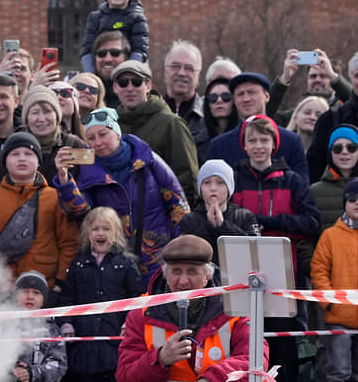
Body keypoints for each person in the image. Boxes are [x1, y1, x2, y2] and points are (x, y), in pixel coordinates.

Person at [53, 108, 189, 282]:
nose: (98, 142)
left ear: (117, 133)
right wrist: (64, 179)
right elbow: (79, 211)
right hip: (115, 262)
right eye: (91, 138)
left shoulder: (147, 159)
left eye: (103, 134)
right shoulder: (89, 170)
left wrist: (179, 249)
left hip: (158, 257)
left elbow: (178, 206)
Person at [231, 114, 319, 382]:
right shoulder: (233, 179)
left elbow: (312, 222)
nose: (258, 145)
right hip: (240, 273)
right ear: (244, 145)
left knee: (282, 342)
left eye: (264, 140)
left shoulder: (292, 181)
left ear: (274, 144)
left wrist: (268, 222)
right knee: (245, 339)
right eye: (252, 140)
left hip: (284, 272)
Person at [116, 234, 267, 382]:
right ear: (165, 275)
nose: (183, 281)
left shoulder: (235, 306)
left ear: (207, 276)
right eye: (176, 271)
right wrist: (160, 358)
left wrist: (212, 378)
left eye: (192, 272)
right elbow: (125, 374)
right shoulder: (141, 313)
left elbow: (255, 359)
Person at [0, 132, 78, 290]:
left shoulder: (54, 197)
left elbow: (68, 242)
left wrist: (60, 281)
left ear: (38, 161)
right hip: (0, 287)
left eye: (28, 153)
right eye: (15, 154)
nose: (22, 158)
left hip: (44, 287)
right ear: (5, 161)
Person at [58, 207, 144, 382]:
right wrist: (67, 324)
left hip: (115, 343)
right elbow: (67, 298)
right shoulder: (78, 264)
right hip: (82, 346)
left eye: (106, 228)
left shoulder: (126, 264)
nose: (100, 233)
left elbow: (137, 299)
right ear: (87, 233)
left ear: (116, 233)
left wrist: (130, 322)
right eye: (95, 228)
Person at [112, 60, 199, 203]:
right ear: (115, 87)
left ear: (148, 86)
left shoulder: (171, 124)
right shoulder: (111, 125)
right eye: (123, 83)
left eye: (136, 82)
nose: (130, 88)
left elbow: (188, 179)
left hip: (160, 216)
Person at [208, 71, 309, 182]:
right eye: (240, 94)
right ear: (235, 100)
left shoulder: (291, 141)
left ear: (266, 96)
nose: (246, 99)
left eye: (252, 93)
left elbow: (302, 189)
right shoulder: (219, 146)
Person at [311, 178, 358, 382]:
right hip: (340, 319)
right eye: (352, 198)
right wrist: (330, 303)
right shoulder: (330, 236)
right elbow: (318, 271)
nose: (357, 203)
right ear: (344, 203)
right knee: (338, 374)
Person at [178, 160, 259, 265]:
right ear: (201, 188)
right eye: (207, 183)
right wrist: (209, 226)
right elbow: (186, 254)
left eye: (220, 183)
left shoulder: (244, 216)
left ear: (229, 188)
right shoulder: (189, 219)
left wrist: (223, 225)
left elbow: (255, 250)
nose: (213, 188)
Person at [79, 0, 149, 73]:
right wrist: (91, 75)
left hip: (127, 71)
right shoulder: (95, 18)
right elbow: (86, 50)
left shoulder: (137, 18)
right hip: (100, 70)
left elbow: (140, 50)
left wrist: (128, 73)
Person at [268, 48, 352, 126]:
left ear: (334, 80)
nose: (317, 80)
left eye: (323, 76)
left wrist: (333, 75)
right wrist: (284, 79)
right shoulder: (297, 115)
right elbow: (266, 116)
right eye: (313, 76)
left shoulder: (344, 114)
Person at [308, 52, 358, 183]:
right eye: (357, 75)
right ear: (351, 79)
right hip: (335, 198)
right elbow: (314, 167)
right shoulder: (329, 119)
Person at [11, 271, 67, 382]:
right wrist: (11, 369)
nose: (30, 296)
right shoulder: (2, 325)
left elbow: (59, 366)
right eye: (24, 291)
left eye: (36, 292)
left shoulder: (52, 330)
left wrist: (32, 373)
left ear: (43, 300)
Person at [163, 40, 209, 160]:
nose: (182, 73)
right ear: (165, 71)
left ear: (198, 76)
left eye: (189, 68)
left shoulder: (210, 116)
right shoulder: (149, 113)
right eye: (175, 66)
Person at [310, 125, 358, 230]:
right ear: (330, 153)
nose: (344, 152)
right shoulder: (315, 191)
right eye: (337, 148)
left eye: (351, 148)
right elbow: (307, 235)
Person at [89, 31, 129, 108]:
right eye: (102, 53)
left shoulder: (137, 92)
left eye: (115, 53)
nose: (108, 59)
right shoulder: (84, 92)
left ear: (126, 57)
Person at [202, 78, 237, 144]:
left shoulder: (246, 135)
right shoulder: (196, 138)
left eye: (226, 96)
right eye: (213, 97)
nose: (219, 101)